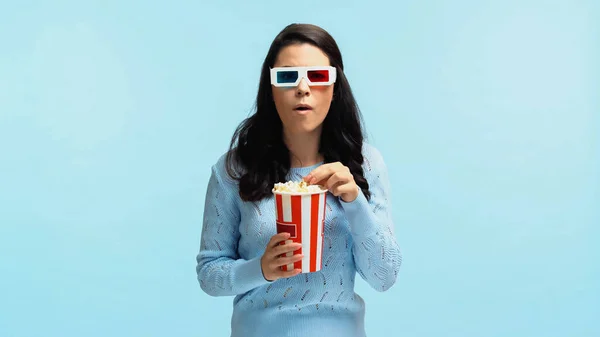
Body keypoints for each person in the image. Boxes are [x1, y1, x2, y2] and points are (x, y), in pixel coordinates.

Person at [196, 23, 402, 337]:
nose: (303, 88)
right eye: (287, 76)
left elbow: (384, 276)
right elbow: (210, 274)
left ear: (335, 88)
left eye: (318, 76)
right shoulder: (233, 169)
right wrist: (261, 269)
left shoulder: (366, 163)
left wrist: (355, 202)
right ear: (271, 90)